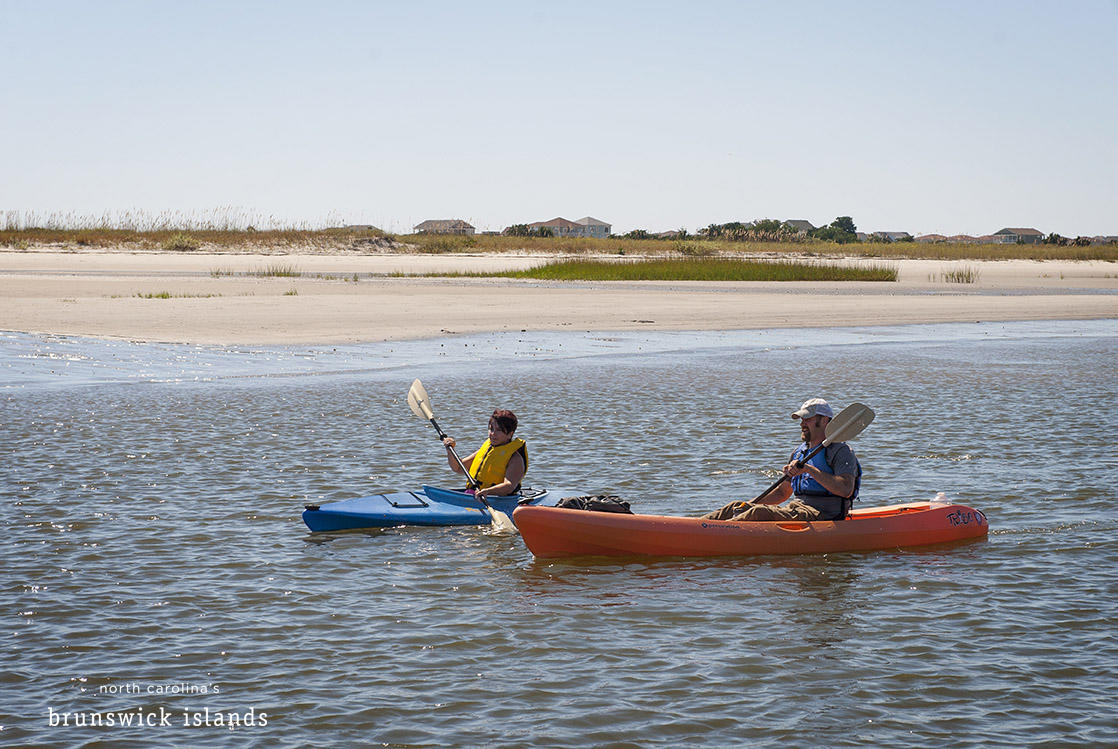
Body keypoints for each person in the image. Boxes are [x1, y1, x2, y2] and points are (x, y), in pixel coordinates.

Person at [702, 398, 861, 522]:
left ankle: (719, 532)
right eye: (802, 419)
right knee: (736, 506)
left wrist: (808, 469)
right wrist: (748, 505)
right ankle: (695, 526)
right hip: (796, 509)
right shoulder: (799, 453)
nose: (802, 424)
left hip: (823, 514)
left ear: (825, 420)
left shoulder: (841, 451)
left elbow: (845, 489)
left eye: (807, 419)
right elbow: (781, 493)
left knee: (759, 513)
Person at [442, 409, 528, 500]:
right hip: (474, 496)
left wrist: (488, 491)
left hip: (497, 501)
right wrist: (450, 451)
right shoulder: (487, 449)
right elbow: (458, 468)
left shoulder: (515, 459)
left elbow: (509, 486)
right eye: (491, 429)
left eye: (499, 430)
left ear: (510, 434)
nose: (493, 434)